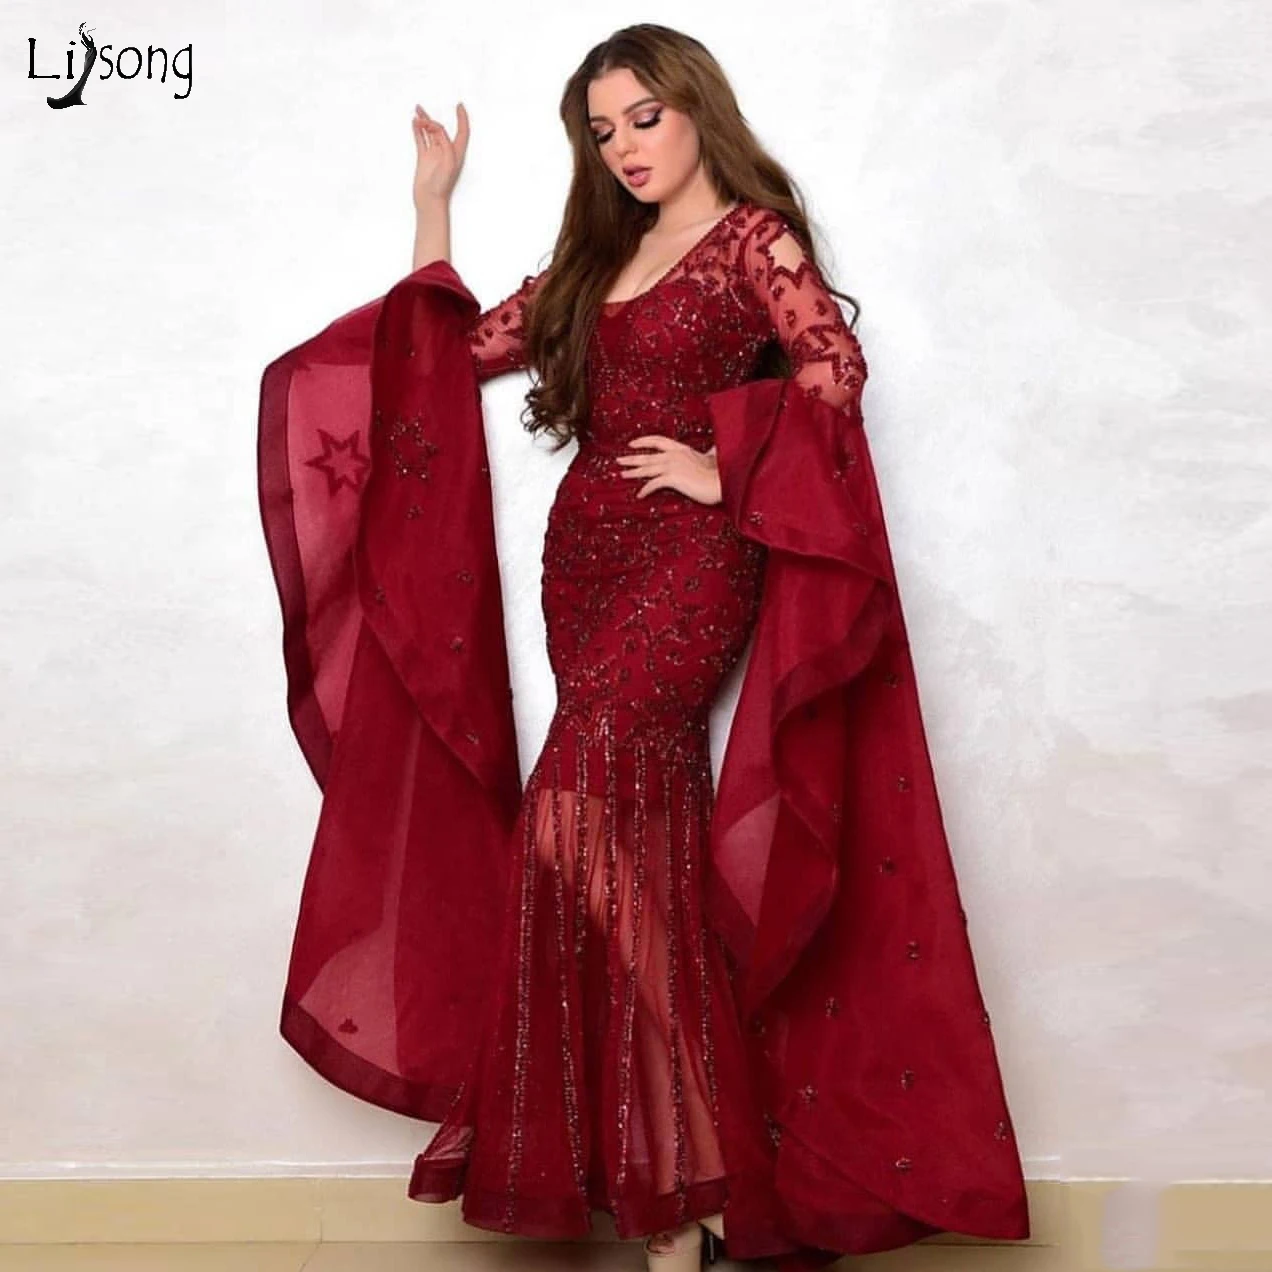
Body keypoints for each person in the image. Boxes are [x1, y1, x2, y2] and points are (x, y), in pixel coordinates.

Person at [257, 22, 1030, 1272]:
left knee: (570, 820)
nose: (624, 146)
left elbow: (835, 370)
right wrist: (432, 210)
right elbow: (446, 357)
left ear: (694, 107)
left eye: (643, 117)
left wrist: (732, 471)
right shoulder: (597, 254)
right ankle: (692, 1197)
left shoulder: (751, 239)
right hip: (585, 565)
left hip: (692, 566)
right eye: (603, 129)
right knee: (623, 851)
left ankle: (700, 1183)